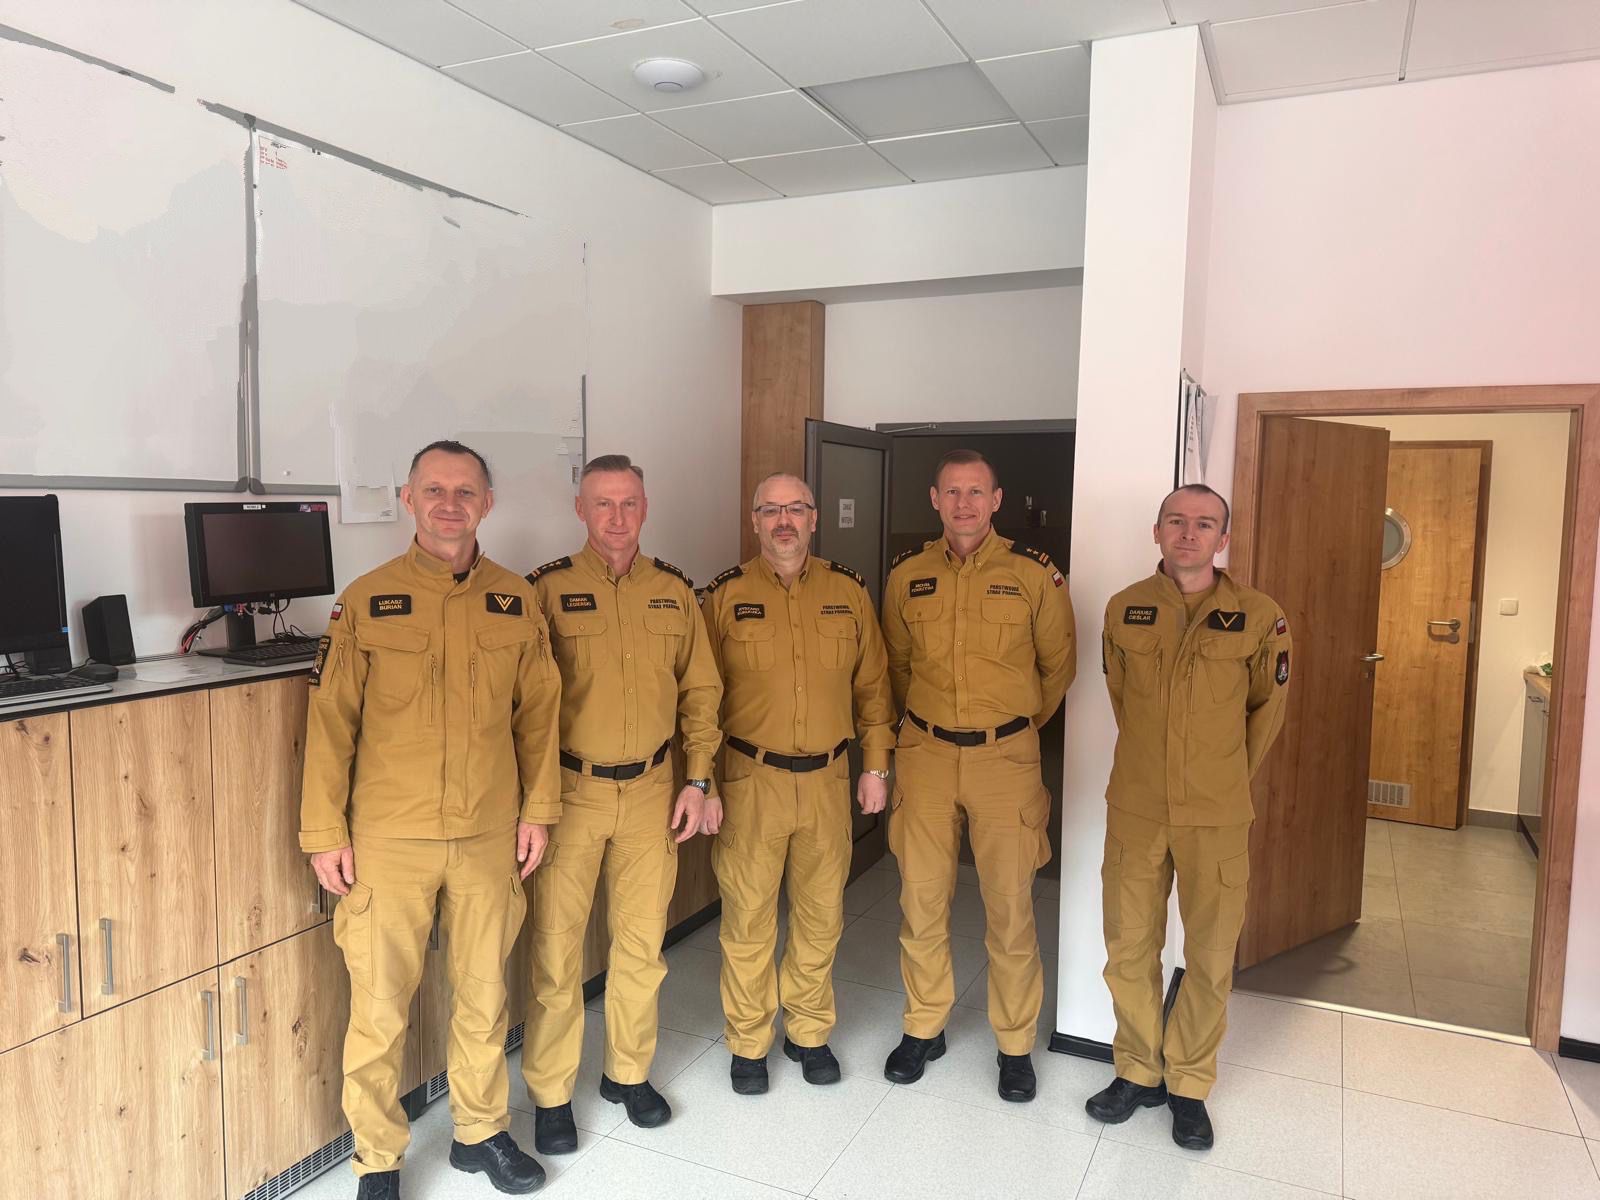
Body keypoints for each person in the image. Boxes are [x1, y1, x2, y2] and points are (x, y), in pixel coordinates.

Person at [300, 440, 559, 1200]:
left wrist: (539, 810)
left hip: (488, 832)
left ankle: (481, 1134)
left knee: (483, 996)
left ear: (488, 503)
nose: (451, 504)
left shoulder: (517, 600)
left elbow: (540, 717)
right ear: (409, 499)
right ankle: (377, 1160)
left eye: (466, 491)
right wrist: (324, 832)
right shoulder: (366, 600)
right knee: (379, 1010)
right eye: (435, 490)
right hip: (390, 839)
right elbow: (331, 724)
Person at [521, 454, 722, 1153]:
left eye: (628, 503)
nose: (616, 517)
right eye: (602, 503)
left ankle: (628, 1075)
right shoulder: (545, 591)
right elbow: (526, 706)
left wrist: (699, 780)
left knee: (641, 946)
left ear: (645, 508)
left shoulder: (674, 592)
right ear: (580, 510)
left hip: (653, 792)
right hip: (570, 794)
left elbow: (701, 692)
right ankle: (551, 1094)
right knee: (557, 951)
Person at [1086, 483, 1292, 1151]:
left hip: (1217, 814)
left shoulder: (1260, 616)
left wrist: (1219, 778)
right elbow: (1123, 698)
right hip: (1138, 806)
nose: (1188, 533)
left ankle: (1190, 1084)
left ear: (1223, 539)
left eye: (1205, 524)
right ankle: (1137, 1070)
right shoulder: (1125, 608)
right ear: (1157, 531)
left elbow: (1265, 714)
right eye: (1176, 521)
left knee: (1208, 954)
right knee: (1128, 947)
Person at [879, 449, 1076, 1102]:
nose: (963, 503)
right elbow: (896, 666)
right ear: (935, 499)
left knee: (1011, 908)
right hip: (926, 756)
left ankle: (1014, 1045)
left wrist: (1009, 726)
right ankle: (924, 1026)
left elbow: (1058, 668)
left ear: (996, 501)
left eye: (976, 492)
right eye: (952, 492)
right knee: (920, 902)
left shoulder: (1034, 574)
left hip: (1005, 761)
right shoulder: (907, 575)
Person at [698, 473, 896, 1094]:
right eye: (771, 510)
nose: (784, 521)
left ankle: (808, 1032)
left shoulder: (849, 591)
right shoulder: (724, 597)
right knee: (748, 919)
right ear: (754, 520)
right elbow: (701, 698)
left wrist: (876, 766)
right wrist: (703, 783)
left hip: (828, 780)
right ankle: (748, 1042)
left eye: (796, 509)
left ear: (814, 518)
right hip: (750, 779)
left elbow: (873, 686)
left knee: (820, 915)